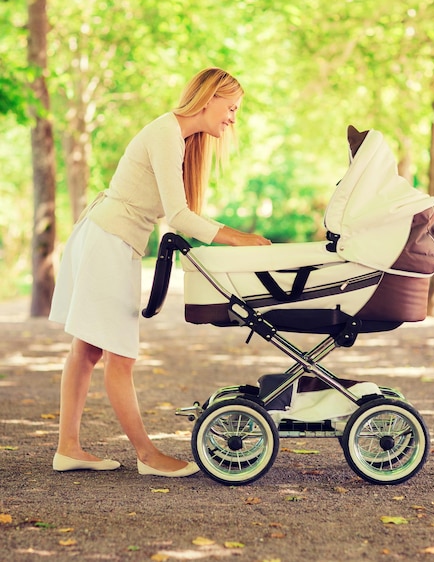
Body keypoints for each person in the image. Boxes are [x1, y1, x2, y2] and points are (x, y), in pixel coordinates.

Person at [49, 67, 271, 477]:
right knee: (119, 356)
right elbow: (180, 217)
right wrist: (239, 238)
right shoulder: (166, 133)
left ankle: (69, 448)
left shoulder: (178, 137)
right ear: (209, 98)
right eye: (232, 107)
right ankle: (147, 455)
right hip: (108, 241)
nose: (233, 118)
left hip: (106, 236)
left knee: (88, 350)